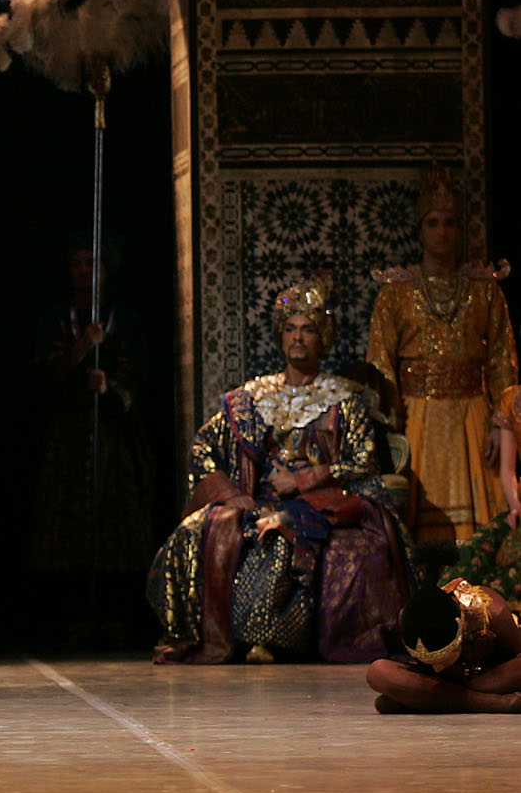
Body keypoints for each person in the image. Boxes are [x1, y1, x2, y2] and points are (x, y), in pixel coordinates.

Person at [147, 277, 415, 664]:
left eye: (307, 329)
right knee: (196, 532)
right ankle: (198, 633)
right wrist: (229, 492)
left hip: (321, 500)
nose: (298, 337)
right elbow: (203, 447)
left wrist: (305, 478)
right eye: (290, 329)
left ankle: (271, 637)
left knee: (286, 535)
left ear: (322, 337)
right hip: (259, 497)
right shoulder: (254, 396)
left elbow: (364, 460)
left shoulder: (344, 399)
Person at [367, 165, 517, 542]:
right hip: (418, 420)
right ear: (420, 232)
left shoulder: (485, 290)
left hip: (473, 417)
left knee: (484, 537)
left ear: (460, 230)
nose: (442, 231)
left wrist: (503, 425)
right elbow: (380, 363)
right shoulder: (394, 294)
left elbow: (502, 358)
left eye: (449, 222)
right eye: (433, 222)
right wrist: (390, 428)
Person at [27, 241, 159, 632]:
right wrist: (83, 346)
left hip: (115, 439)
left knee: (118, 523)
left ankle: (116, 617)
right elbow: (42, 374)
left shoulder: (126, 321)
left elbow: (143, 375)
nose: (85, 271)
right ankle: (69, 618)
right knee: (65, 525)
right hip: (69, 437)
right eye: (77, 263)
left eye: (92, 263)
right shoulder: (57, 320)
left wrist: (111, 385)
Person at [366, 544, 521, 713]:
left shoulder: (491, 611)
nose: (438, 667)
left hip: (488, 677)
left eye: (443, 659)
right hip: (442, 682)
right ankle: (490, 703)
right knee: (378, 672)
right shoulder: (411, 618)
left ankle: (424, 700)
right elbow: (431, 671)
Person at [443, 385, 521, 595]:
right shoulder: (512, 399)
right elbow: (507, 470)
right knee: (470, 558)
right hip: (519, 507)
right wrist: (516, 506)